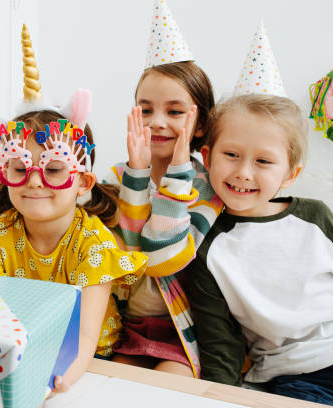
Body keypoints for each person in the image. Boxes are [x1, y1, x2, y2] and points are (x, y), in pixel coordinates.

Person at [0, 94, 147, 393]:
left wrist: (56, 380)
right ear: (6, 173)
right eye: (20, 168)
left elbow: (84, 337)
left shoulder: (93, 243)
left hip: (93, 358)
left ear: (83, 183)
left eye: (53, 169)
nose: (34, 180)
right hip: (19, 352)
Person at [185, 93, 333, 407]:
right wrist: (221, 399)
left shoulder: (314, 217)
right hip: (297, 377)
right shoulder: (204, 247)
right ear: (207, 157)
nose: (244, 172)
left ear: (290, 174)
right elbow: (220, 343)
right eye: (232, 154)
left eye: (263, 161)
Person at [109, 60, 222, 378]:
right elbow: (132, 257)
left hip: (181, 332)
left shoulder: (209, 188)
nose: (157, 122)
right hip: (130, 328)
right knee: (117, 384)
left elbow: (161, 258)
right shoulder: (121, 177)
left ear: (200, 124)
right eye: (145, 110)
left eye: (174, 112)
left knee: (170, 385)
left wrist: (177, 171)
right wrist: (138, 174)